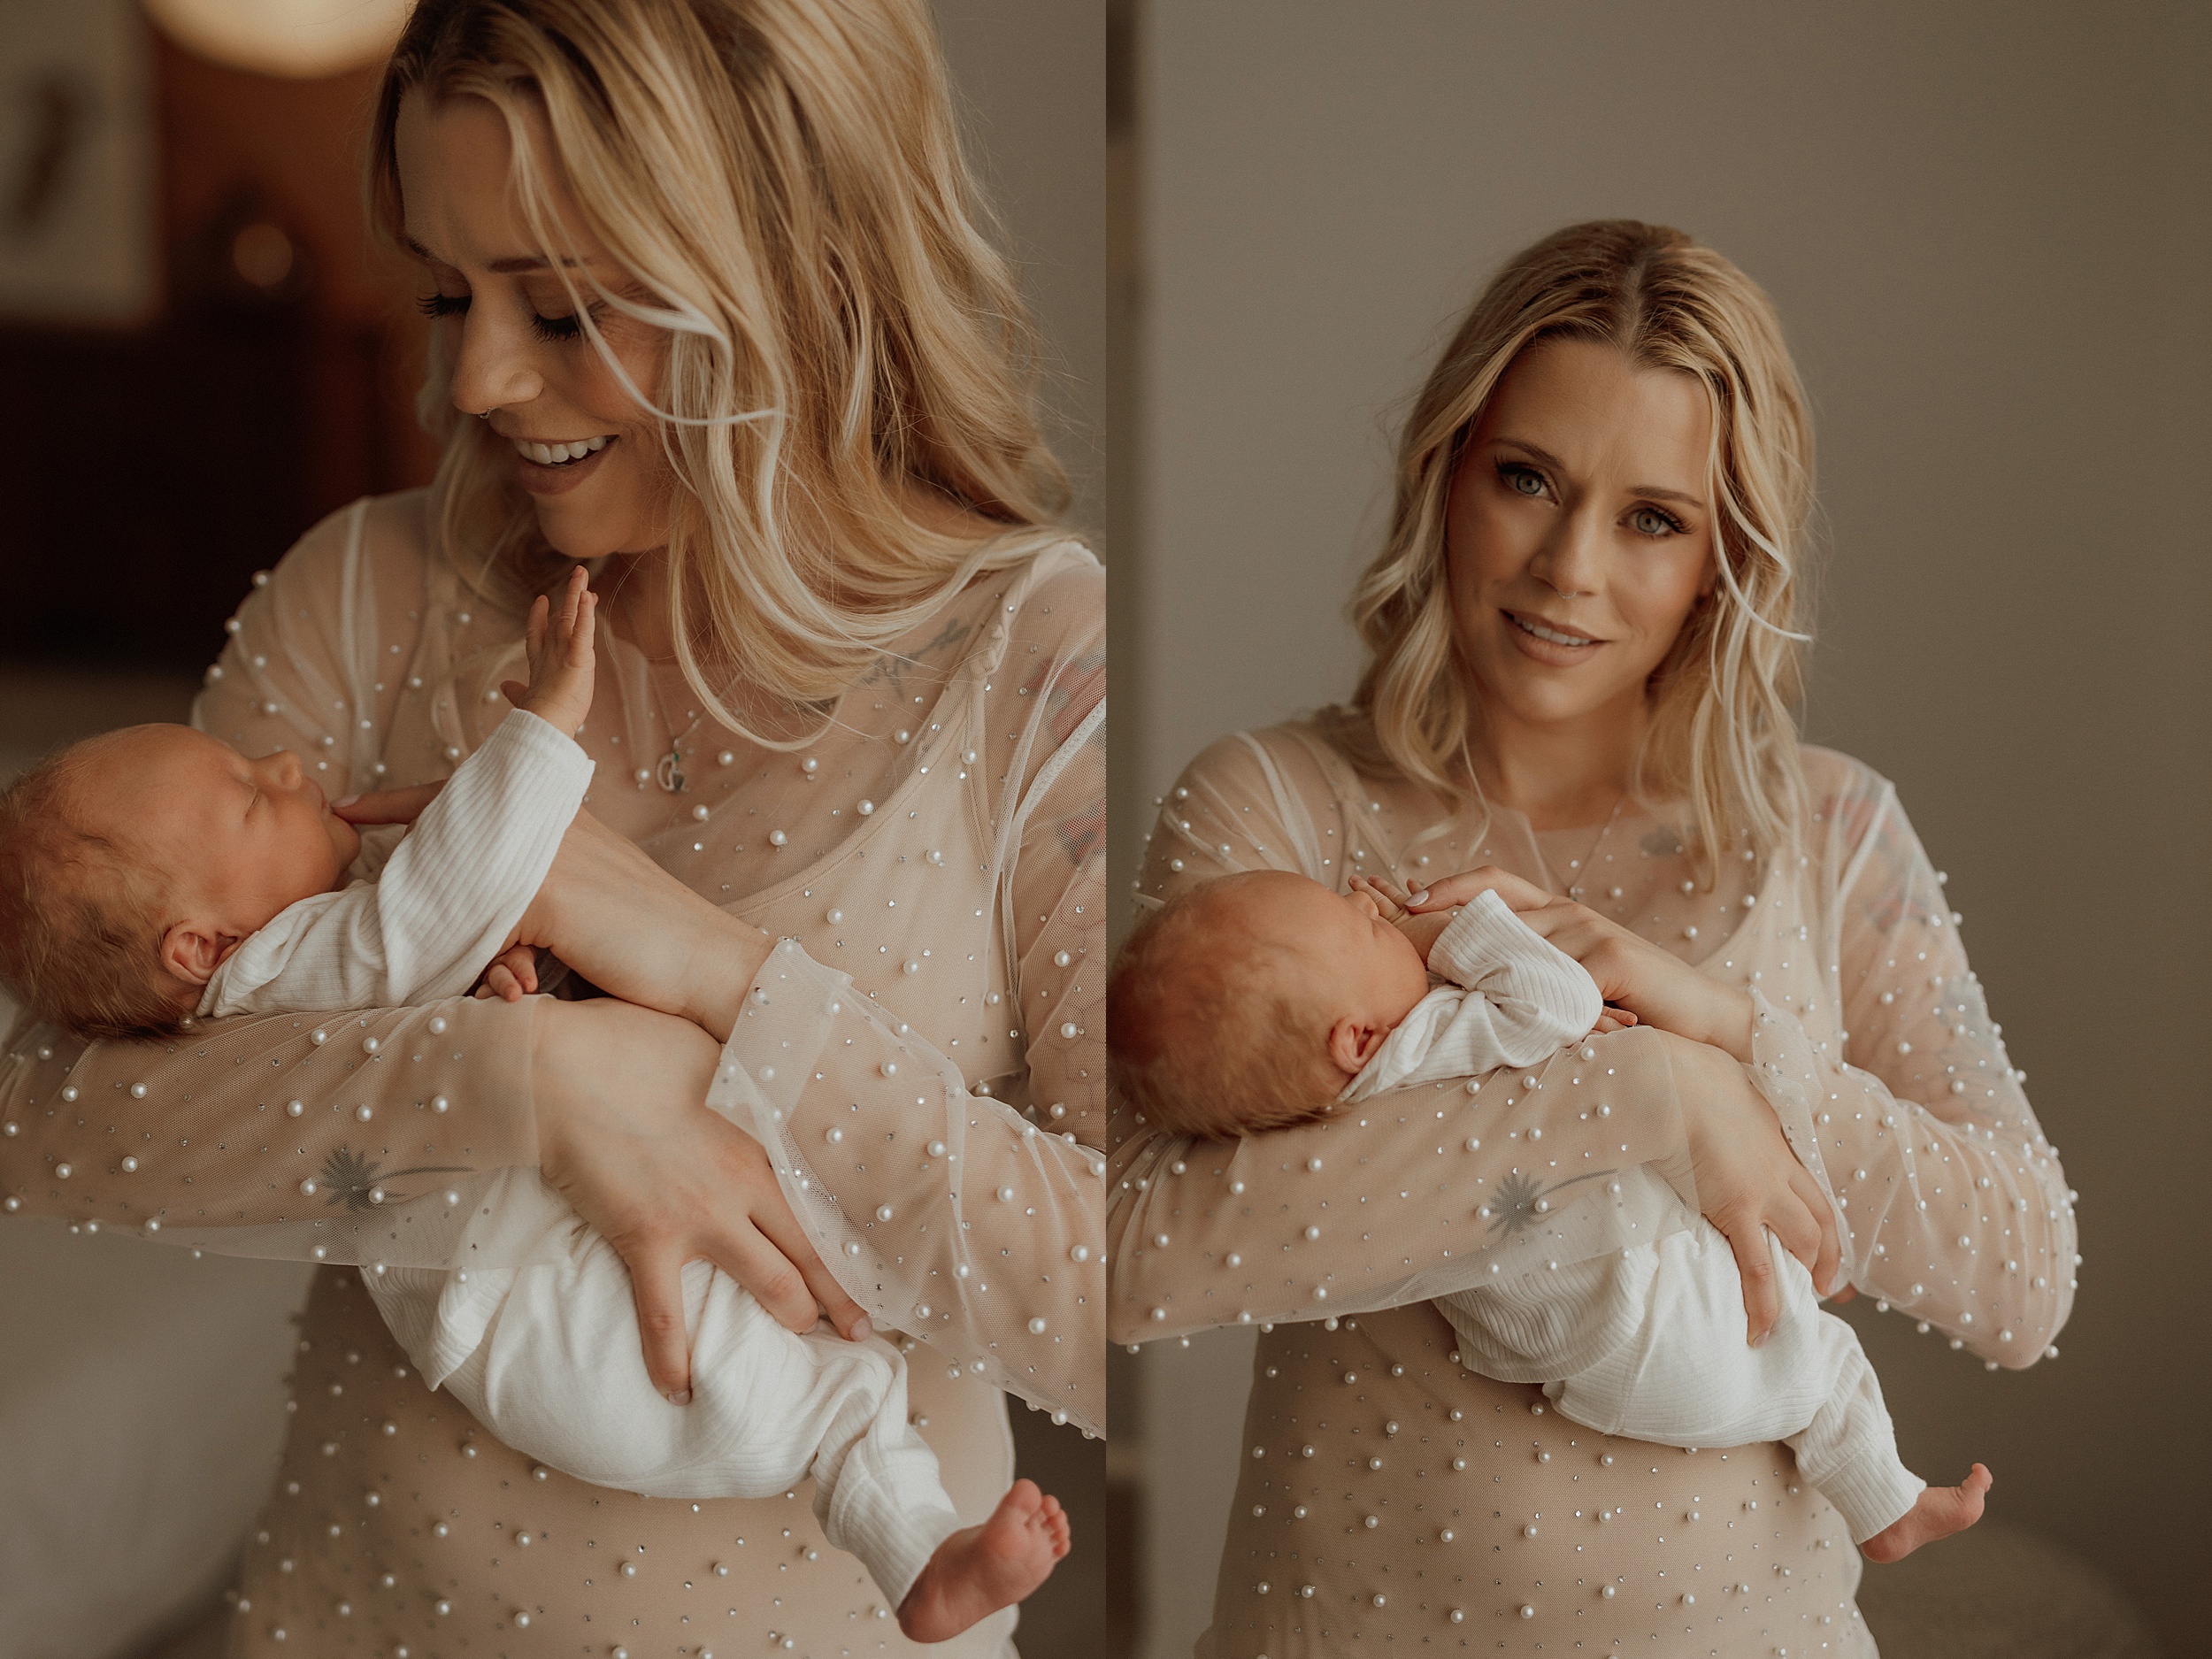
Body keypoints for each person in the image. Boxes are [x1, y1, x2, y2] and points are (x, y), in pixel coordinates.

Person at [0, 2, 1102, 1654]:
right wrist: (538, 1087)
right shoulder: (367, 598)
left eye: (565, 308)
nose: (472, 381)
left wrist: (710, 974)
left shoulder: (1030, 652)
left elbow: (1133, 1296)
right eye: (450, 291)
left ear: (798, 271)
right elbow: (56, 1116)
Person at [1110, 219, 2071, 1653]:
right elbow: (1135, 1257)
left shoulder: (1830, 829)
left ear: (1723, 555)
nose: (1568, 568)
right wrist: (1644, 1096)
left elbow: (2023, 1275)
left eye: (1652, 519)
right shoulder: (1281, 812)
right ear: (1447, 473)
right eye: (1528, 480)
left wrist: (1731, 1036)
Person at [0, 568, 1072, 1638]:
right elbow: (442, 900)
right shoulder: (283, 959)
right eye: (248, 795)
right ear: (200, 947)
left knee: (839, 1393)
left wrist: (508, 1003)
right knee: (831, 1391)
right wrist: (546, 730)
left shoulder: (285, 968)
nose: (287, 768)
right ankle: (917, 1549)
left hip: (536, 1326)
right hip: (540, 1328)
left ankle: (924, 1560)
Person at [1109, 868, 1992, 1561]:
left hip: (1585, 1347)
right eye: (1361, 926)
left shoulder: (1347, 1109)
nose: (1367, 902)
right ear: (1357, 1039)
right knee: (1813, 1352)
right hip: (1642, 1317)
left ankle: (1887, 1510)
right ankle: (1888, 1503)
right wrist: (1460, 928)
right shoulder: (1423, 1044)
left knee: (1804, 1353)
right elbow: (1560, 1002)